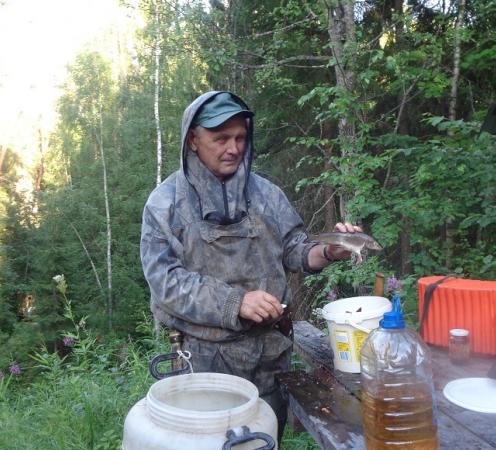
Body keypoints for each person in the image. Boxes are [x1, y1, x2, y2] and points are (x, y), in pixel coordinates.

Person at [140, 91, 361, 440]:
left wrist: (329, 251)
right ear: (193, 139)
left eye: (240, 137)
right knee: (214, 444)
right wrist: (236, 302)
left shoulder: (267, 195)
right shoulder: (164, 205)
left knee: (264, 439)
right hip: (204, 363)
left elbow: (295, 250)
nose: (234, 148)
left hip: (270, 356)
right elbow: (166, 282)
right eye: (221, 138)